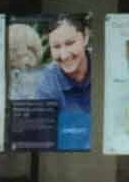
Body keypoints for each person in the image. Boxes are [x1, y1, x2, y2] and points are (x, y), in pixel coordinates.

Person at [36, 11, 93, 150]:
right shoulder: (47, 84)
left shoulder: (104, 65)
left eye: (70, 43)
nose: (64, 55)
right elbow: (48, 138)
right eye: (56, 47)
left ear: (85, 37)